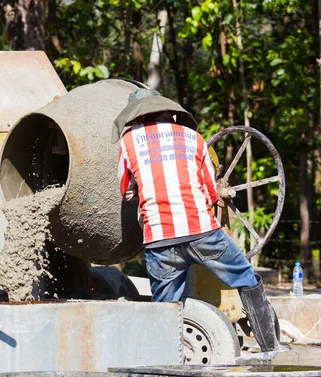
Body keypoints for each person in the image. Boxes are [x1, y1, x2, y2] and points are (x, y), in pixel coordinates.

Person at [112, 88, 281, 353]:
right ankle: (271, 347)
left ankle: (165, 359)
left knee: (167, 308)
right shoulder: (194, 137)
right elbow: (211, 191)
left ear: (137, 116)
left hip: (159, 238)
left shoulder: (128, 141)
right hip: (202, 232)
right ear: (169, 111)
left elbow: (126, 190)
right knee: (246, 278)